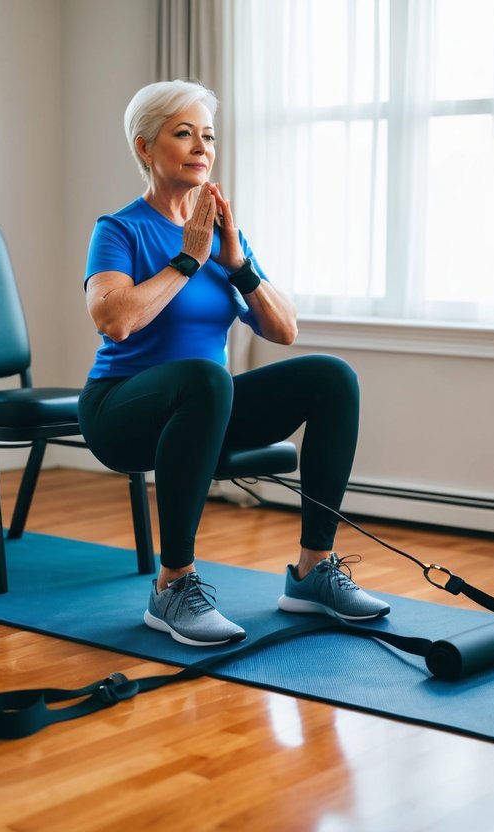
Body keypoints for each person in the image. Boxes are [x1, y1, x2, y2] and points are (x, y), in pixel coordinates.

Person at [78, 79, 390, 647]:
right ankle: (173, 586)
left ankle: (312, 573)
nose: (202, 146)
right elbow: (115, 320)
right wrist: (187, 261)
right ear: (145, 147)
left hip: (204, 408)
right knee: (205, 378)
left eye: (208, 136)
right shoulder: (119, 229)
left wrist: (237, 263)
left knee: (331, 377)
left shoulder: (223, 235)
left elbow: (284, 330)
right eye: (184, 134)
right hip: (122, 411)